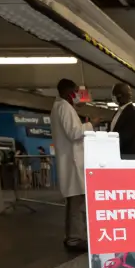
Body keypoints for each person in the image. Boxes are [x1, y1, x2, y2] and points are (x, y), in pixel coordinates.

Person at [51, 79, 88, 252]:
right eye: (75, 91)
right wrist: (90, 124)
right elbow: (74, 133)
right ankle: (75, 238)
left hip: (72, 161)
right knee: (77, 203)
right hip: (72, 162)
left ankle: (72, 236)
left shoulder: (60, 106)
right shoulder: (64, 107)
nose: (77, 95)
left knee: (75, 202)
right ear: (67, 92)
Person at [110, 83, 135, 159]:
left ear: (120, 96)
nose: (113, 97)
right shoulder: (118, 112)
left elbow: (126, 135)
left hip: (131, 155)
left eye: (114, 95)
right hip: (119, 153)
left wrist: (111, 145)